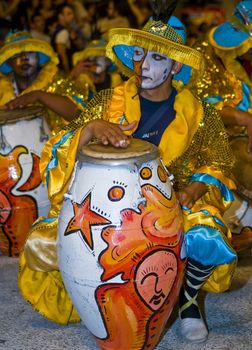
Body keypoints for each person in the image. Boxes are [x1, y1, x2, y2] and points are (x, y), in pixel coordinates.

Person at [11, 1, 237, 344]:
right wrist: (89, 130)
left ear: (176, 66)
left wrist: (194, 189)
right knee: (43, 240)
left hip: (172, 204)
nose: (142, 65)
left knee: (207, 234)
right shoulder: (107, 100)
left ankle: (188, 301)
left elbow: (218, 162)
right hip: (107, 207)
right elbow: (60, 146)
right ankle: (100, 302)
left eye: (156, 58)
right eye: (137, 54)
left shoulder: (200, 112)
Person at [177, 0, 252, 250]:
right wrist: (245, 119)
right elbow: (202, 110)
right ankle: (237, 225)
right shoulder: (207, 56)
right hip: (216, 146)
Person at [0, 30, 89, 133]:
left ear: (38, 57)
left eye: (30, 52)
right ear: (8, 62)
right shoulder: (2, 88)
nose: (24, 58)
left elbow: (79, 115)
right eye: (16, 55)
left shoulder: (55, 80)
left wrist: (39, 95)